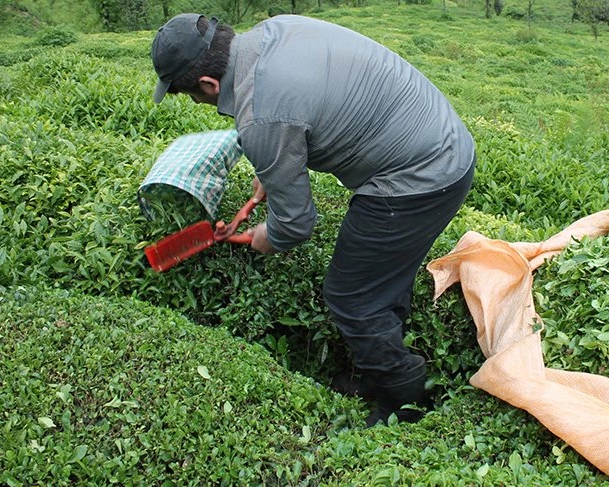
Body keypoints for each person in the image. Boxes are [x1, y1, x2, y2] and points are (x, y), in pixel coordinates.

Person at [151, 13, 475, 426]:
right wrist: (272, 171)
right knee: (376, 276)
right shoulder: (274, 30)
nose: (198, 103)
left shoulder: (261, 119)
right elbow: (297, 116)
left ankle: (402, 395)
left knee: (351, 295)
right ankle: (377, 365)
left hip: (421, 176)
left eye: (189, 96)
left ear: (208, 86)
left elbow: (296, 225)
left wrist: (267, 236)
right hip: (443, 139)